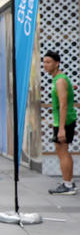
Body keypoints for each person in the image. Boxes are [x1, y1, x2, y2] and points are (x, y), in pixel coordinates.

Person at [42, 51, 75, 195]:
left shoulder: (60, 80)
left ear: (57, 63)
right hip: (62, 121)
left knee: (63, 152)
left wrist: (61, 128)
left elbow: (63, 104)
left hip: (64, 121)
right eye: (44, 62)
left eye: (48, 62)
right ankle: (68, 181)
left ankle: (68, 185)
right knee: (63, 151)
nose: (45, 65)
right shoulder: (57, 79)